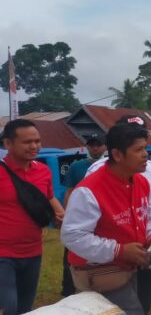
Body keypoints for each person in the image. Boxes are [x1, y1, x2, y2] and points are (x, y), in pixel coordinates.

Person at [61, 123, 151, 314]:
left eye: (146, 148)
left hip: (131, 268)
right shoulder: (89, 190)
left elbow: (150, 216)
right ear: (117, 155)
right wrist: (119, 251)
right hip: (101, 274)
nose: (145, 154)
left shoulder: (141, 182)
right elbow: (72, 236)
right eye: (138, 149)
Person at [0, 119, 63, 315]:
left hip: (33, 251)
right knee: (8, 307)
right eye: (27, 142)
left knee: (25, 308)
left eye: (37, 141)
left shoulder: (43, 171)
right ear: (8, 143)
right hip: (3, 253)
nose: (34, 146)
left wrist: (62, 217)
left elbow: (49, 197)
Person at [60, 133, 106, 297]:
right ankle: (68, 291)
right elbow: (69, 192)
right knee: (72, 256)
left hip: (100, 218)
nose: (95, 148)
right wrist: (66, 216)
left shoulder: (108, 166)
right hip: (78, 217)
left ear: (105, 147)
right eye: (91, 145)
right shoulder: (77, 166)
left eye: (98, 145)